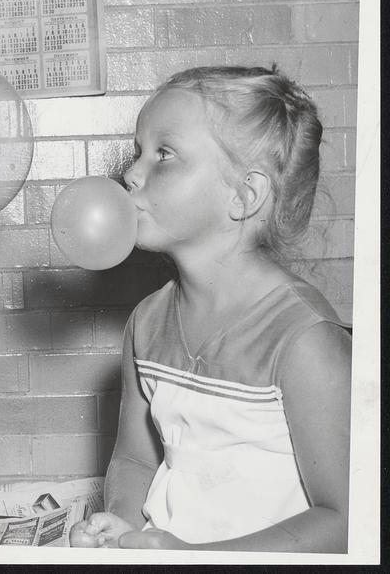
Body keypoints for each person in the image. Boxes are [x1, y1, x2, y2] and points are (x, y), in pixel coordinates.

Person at [69, 66, 351, 552]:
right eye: (139, 151)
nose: (131, 173)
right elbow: (136, 460)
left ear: (244, 195)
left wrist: (197, 558)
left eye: (165, 154)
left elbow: (347, 520)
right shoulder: (146, 323)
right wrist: (118, 523)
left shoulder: (305, 339)